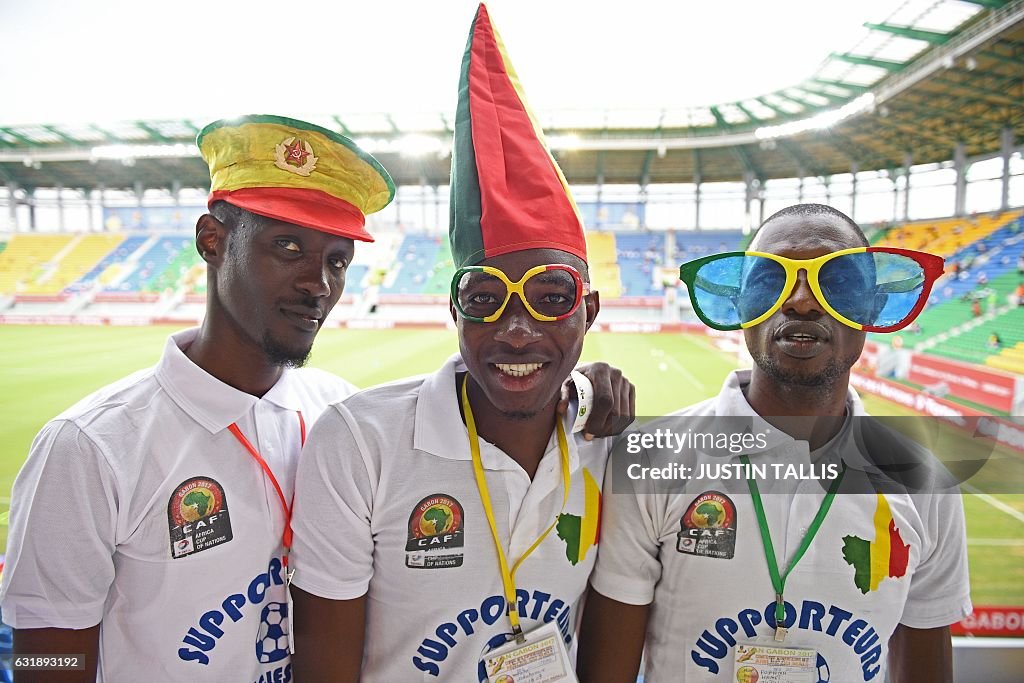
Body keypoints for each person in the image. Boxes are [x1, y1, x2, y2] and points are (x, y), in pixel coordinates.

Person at [289, 5, 632, 681]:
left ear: (587, 310)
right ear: (455, 309)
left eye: (551, 296)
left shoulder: (607, 439)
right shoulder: (359, 444)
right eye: (484, 298)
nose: (515, 326)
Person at [579, 204, 970, 683]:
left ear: (870, 306)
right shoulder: (649, 458)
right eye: (771, 280)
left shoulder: (924, 480)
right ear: (741, 308)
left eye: (836, 282)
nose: (802, 301)